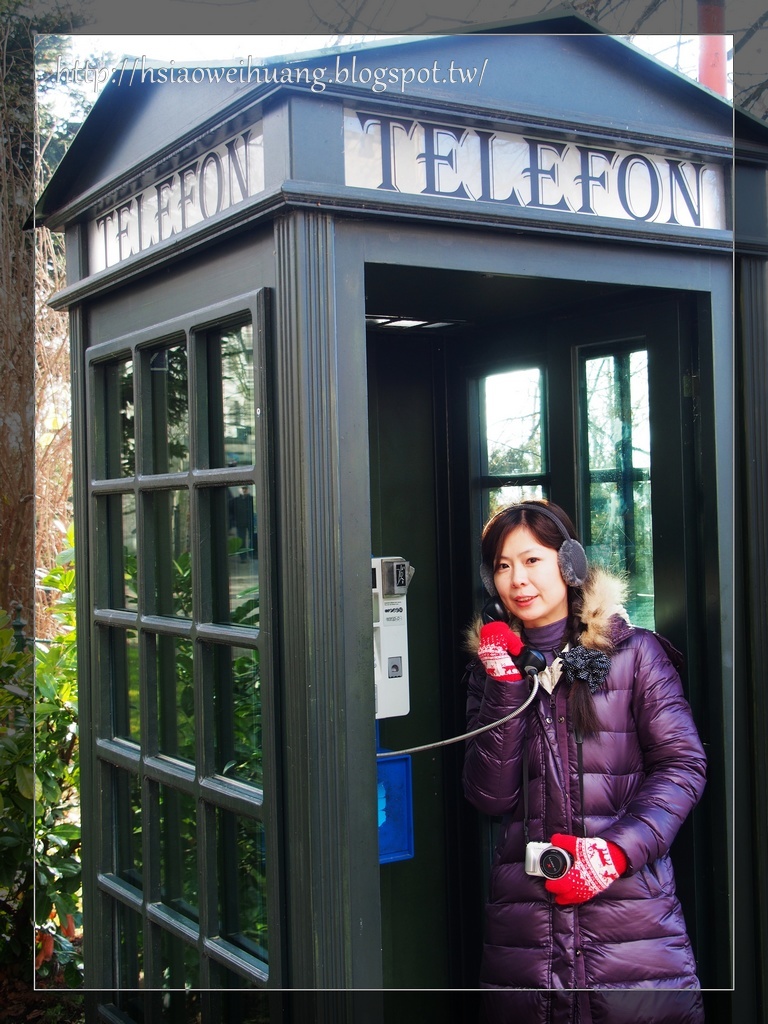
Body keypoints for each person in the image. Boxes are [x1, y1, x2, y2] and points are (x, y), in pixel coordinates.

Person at [462, 500, 707, 1024]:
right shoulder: (491, 672)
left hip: (630, 924)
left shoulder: (634, 654)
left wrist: (614, 853)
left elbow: (683, 766)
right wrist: (504, 688)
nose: (517, 580)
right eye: (502, 566)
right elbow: (490, 796)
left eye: (531, 560)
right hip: (526, 934)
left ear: (569, 563)